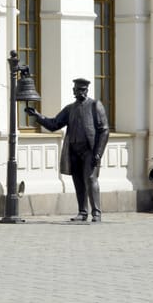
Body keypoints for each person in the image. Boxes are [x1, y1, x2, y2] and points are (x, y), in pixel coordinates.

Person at [25, 78, 109, 222]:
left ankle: (96, 213)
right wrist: (37, 116)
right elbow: (54, 124)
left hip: (90, 150)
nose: (80, 92)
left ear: (87, 90)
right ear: (73, 91)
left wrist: (98, 152)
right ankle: (82, 213)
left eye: (82, 89)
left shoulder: (95, 105)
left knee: (90, 179)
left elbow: (104, 130)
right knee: (78, 181)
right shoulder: (70, 109)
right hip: (74, 150)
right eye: (77, 89)